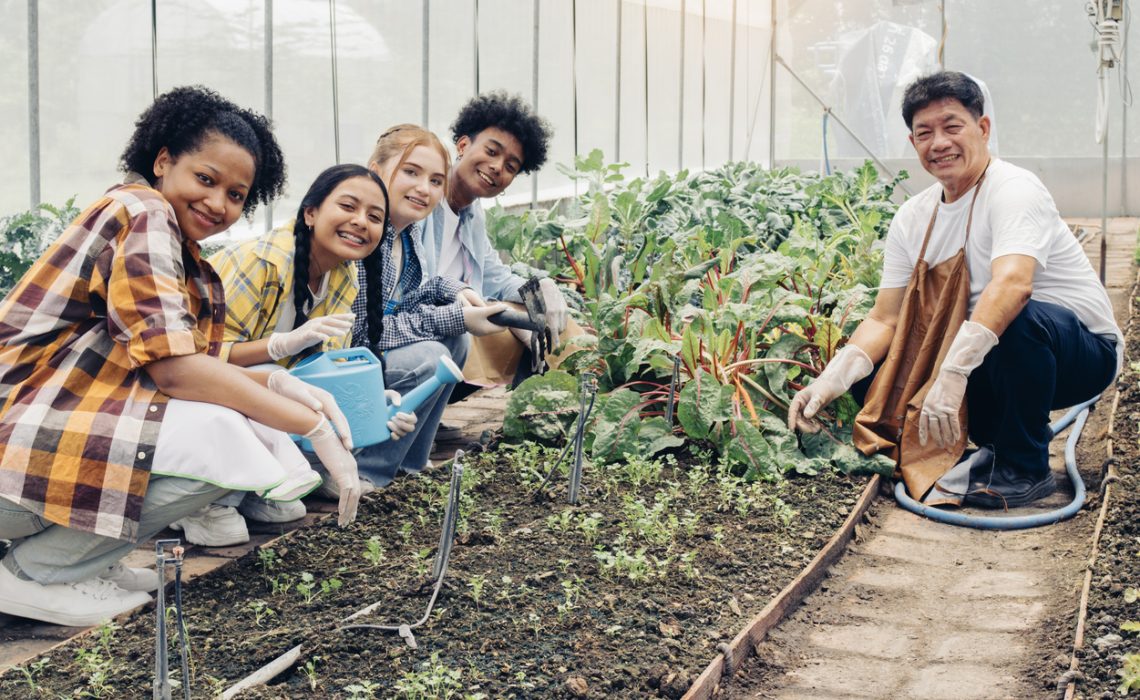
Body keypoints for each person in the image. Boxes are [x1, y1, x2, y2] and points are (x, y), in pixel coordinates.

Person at [0, 87, 359, 627]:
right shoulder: (142, 212)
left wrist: (276, 382)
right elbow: (176, 368)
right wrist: (312, 427)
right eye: (206, 179)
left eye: (237, 195)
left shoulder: (163, 230)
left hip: (39, 430)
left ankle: (84, 559)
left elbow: (191, 349)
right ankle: (33, 574)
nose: (219, 204)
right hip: (20, 439)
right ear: (163, 160)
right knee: (224, 439)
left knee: (227, 425)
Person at [787, 71, 1121, 509]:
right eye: (924, 133)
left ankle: (1025, 466)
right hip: (992, 355)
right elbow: (885, 318)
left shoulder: (1013, 190)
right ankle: (979, 445)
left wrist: (952, 373)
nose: (939, 142)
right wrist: (829, 381)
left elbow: (1014, 284)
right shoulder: (913, 216)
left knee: (1015, 319)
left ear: (982, 129)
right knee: (876, 366)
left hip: (1076, 354)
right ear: (913, 145)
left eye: (952, 126)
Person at [164, 164, 415, 547]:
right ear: (310, 213)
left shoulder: (342, 275)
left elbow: (325, 370)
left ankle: (254, 489)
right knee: (271, 373)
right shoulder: (265, 262)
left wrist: (376, 408)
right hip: (188, 395)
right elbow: (199, 357)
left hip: (260, 399)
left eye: (375, 217)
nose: (361, 222)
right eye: (348, 206)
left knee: (293, 502)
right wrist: (279, 345)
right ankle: (201, 501)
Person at [348, 125, 507, 486]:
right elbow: (364, 333)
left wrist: (456, 291)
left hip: (370, 360)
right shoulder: (364, 234)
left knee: (456, 343)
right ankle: (367, 473)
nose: (424, 188)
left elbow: (414, 294)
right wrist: (456, 316)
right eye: (411, 172)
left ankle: (410, 463)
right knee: (431, 357)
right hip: (341, 367)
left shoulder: (408, 234)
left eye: (436, 180)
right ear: (376, 169)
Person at [418, 92, 571, 396]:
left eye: (511, 166)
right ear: (463, 146)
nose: (497, 167)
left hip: (450, 325)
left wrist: (539, 287)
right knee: (503, 322)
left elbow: (494, 277)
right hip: (418, 330)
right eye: (491, 151)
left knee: (535, 311)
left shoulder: (473, 214)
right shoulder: (422, 201)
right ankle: (421, 413)